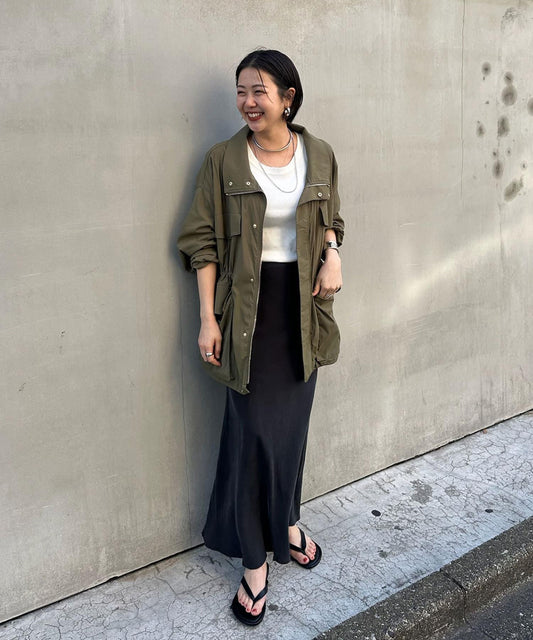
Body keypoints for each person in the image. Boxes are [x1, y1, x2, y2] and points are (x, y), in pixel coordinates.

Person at [178, 49, 344, 626]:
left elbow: (331, 219)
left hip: (303, 312)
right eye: (241, 91)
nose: (248, 102)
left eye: (260, 91)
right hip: (247, 315)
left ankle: (287, 523)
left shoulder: (319, 153)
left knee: (291, 432)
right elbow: (201, 242)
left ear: (287, 98)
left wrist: (332, 254)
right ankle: (254, 561)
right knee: (251, 440)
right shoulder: (223, 160)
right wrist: (208, 318)